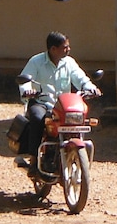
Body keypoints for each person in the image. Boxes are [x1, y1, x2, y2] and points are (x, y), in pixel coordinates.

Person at [15, 31, 99, 173]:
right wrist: (27, 91)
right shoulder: (36, 61)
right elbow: (25, 81)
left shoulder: (69, 62)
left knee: (78, 120)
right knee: (37, 118)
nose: (68, 49)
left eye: (68, 46)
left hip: (63, 104)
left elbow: (81, 78)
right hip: (41, 102)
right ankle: (34, 159)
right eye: (65, 47)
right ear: (53, 49)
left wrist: (91, 88)